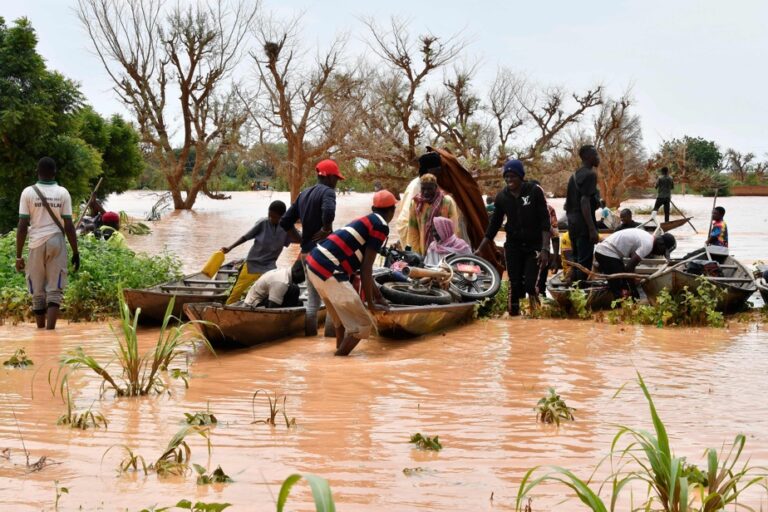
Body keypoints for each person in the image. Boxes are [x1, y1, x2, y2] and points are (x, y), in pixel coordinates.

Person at [306, 190, 397, 356]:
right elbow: (366, 268)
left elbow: (364, 269)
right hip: (329, 268)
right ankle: (338, 361)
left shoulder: (365, 221)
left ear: (373, 208)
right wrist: (370, 303)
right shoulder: (381, 225)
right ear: (392, 211)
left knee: (340, 320)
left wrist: (378, 297)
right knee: (363, 324)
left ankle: (338, 361)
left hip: (314, 265)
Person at [475, 160, 551, 316]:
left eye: (513, 176)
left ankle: (536, 311)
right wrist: (480, 248)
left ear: (521, 176)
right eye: (506, 177)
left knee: (530, 285)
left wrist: (545, 248)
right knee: (514, 284)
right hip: (513, 246)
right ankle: (514, 318)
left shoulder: (534, 191)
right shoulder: (502, 197)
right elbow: (494, 225)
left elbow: (545, 222)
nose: (509, 180)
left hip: (534, 246)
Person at [15, 157, 80, 330]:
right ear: (54, 173)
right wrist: (75, 252)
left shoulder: (27, 192)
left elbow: (22, 226)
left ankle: (40, 332)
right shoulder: (63, 193)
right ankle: (50, 332)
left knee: (37, 289)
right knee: (54, 289)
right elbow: (69, 225)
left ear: (37, 172)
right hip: (57, 241)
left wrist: (18, 256)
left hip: (35, 242)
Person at [280, 159, 342, 335]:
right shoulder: (328, 192)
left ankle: (310, 339)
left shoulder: (303, 194)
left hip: (306, 253)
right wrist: (326, 229)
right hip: (324, 253)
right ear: (329, 177)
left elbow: (285, 221)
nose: (336, 182)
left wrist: (299, 239)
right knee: (332, 300)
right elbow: (329, 211)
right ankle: (331, 341)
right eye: (336, 178)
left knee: (312, 301)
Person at [222, 200, 294, 304]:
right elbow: (245, 237)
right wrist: (230, 247)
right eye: (269, 215)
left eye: (274, 217)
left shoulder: (286, 228)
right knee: (237, 292)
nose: (270, 218)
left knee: (271, 291)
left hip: (269, 267)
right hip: (252, 264)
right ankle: (227, 308)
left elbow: (299, 238)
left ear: (282, 217)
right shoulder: (263, 223)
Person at [595, 230, 676, 299]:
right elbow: (629, 267)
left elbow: (631, 263)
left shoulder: (648, 238)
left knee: (623, 282)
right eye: (663, 252)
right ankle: (619, 308)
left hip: (606, 252)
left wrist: (633, 278)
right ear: (660, 243)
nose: (660, 254)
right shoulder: (648, 245)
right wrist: (634, 289)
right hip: (607, 253)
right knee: (620, 289)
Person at [564, 145, 600, 282]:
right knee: (584, 262)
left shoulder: (574, 175)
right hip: (584, 225)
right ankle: (582, 292)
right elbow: (584, 202)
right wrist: (592, 229)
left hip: (572, 224)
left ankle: (575, 291)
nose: (598, 158)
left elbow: (568, 204)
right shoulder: (591, 175)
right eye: (596, 155)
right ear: (589, 157)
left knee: (577, 259)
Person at [404, 173, 460, 255]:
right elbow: (413, 230)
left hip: (444, 249)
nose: (426, 192)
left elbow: (453, 228)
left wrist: (450, 249)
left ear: (436, 187)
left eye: (430, 189)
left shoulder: (447, 202)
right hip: (423, 249)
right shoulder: (416, 203)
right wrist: (416, 252)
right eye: (423, 189)